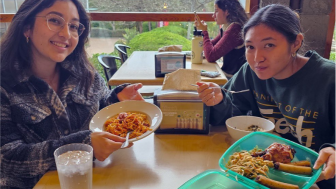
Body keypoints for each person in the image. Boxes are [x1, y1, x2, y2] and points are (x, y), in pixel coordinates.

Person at [0, 0, 144, 188]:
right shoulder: (5, 85)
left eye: (74, 26)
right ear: (26, 27)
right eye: (55, 20)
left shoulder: (85, 75)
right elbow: (7, 159)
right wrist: (84, 146)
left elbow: (100, 112)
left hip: (94, 180)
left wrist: (117, 100)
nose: (66, 34)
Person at [196, 4, 336, 188]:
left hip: (319, 180)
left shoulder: (329, 79)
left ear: (296, 43)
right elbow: (231, 115)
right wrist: (219, 100)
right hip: (265, 176)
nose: (257, 58)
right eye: (250, 47)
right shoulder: (250, 73)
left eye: (269, 45)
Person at [195, 0, 248, 79]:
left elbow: (211, 56)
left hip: (234, 79)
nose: (213, 15)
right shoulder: (228, 26)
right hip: (228, 76)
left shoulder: (235, 29)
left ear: (227, 12)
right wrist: (202, 32)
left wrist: (204, 32)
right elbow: (210, 46)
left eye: (216, 11)